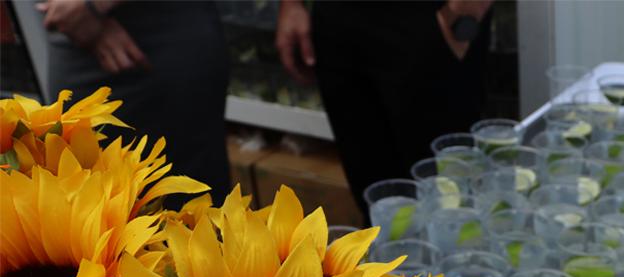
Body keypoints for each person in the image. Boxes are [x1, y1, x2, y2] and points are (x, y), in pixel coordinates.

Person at [276, 0, 494, 217]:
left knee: (450, 196)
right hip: (338, 18)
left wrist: (464, 11)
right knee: (376, 196)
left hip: (427, 16)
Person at [40, 0, 231, 200]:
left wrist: (92, 6)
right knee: (87, 197)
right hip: (73, 37)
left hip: (160, 36)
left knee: (186, 202)